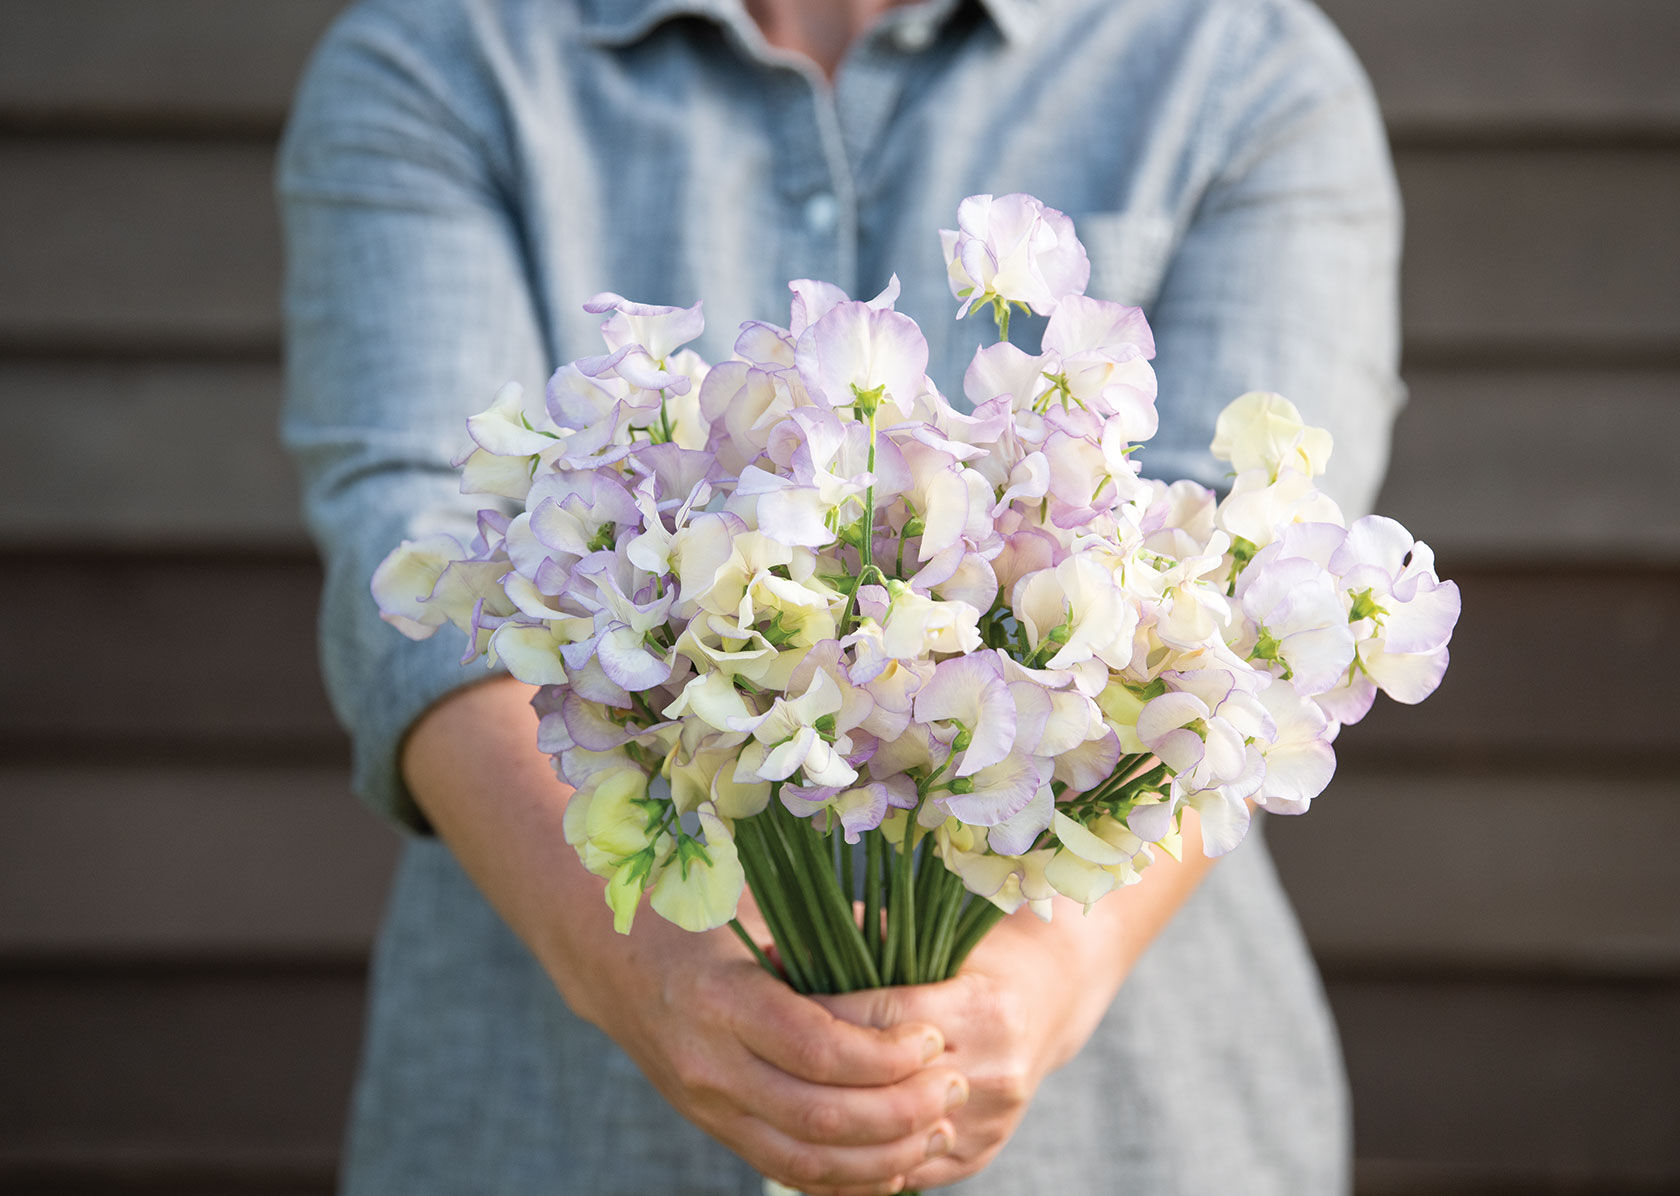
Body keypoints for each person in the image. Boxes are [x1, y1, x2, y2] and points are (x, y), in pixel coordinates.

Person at [279, 0, 1401, 1190]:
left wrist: (1030, 984)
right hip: (555, 1118)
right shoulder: (442, 52)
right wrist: (648, 968)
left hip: (1121, 1126)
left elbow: (1227, 592)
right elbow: (419, 530)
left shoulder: (1242, 68)